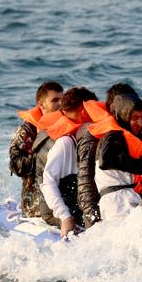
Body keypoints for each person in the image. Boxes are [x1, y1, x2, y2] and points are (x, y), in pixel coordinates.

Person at [77, 83, 140, 228]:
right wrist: (93, 220)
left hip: (127, 202)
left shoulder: (128, 133)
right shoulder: (93, 136)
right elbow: (85, 182)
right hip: (105, 210)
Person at [39, 87, 98, 237]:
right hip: (56, 211)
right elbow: (48, 182)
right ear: (85, 111)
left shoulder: (85, 139)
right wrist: (65, 217)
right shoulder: (65, 143)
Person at [89, 94, 142, 222]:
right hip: (117, 202)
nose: (139, 122)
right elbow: (105, 160)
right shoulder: (113, 135)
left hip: (123, 198)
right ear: (124, 115)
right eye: (134, 117)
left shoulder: (122, 135)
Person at [8, 81, 63, 217]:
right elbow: (15, 164)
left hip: (63, 197)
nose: (60, 104)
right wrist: (44, 157)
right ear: (41, 104)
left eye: (62, 99)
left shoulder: (66, 125)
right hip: (35, 204)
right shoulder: (28, 130)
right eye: (55, 100)